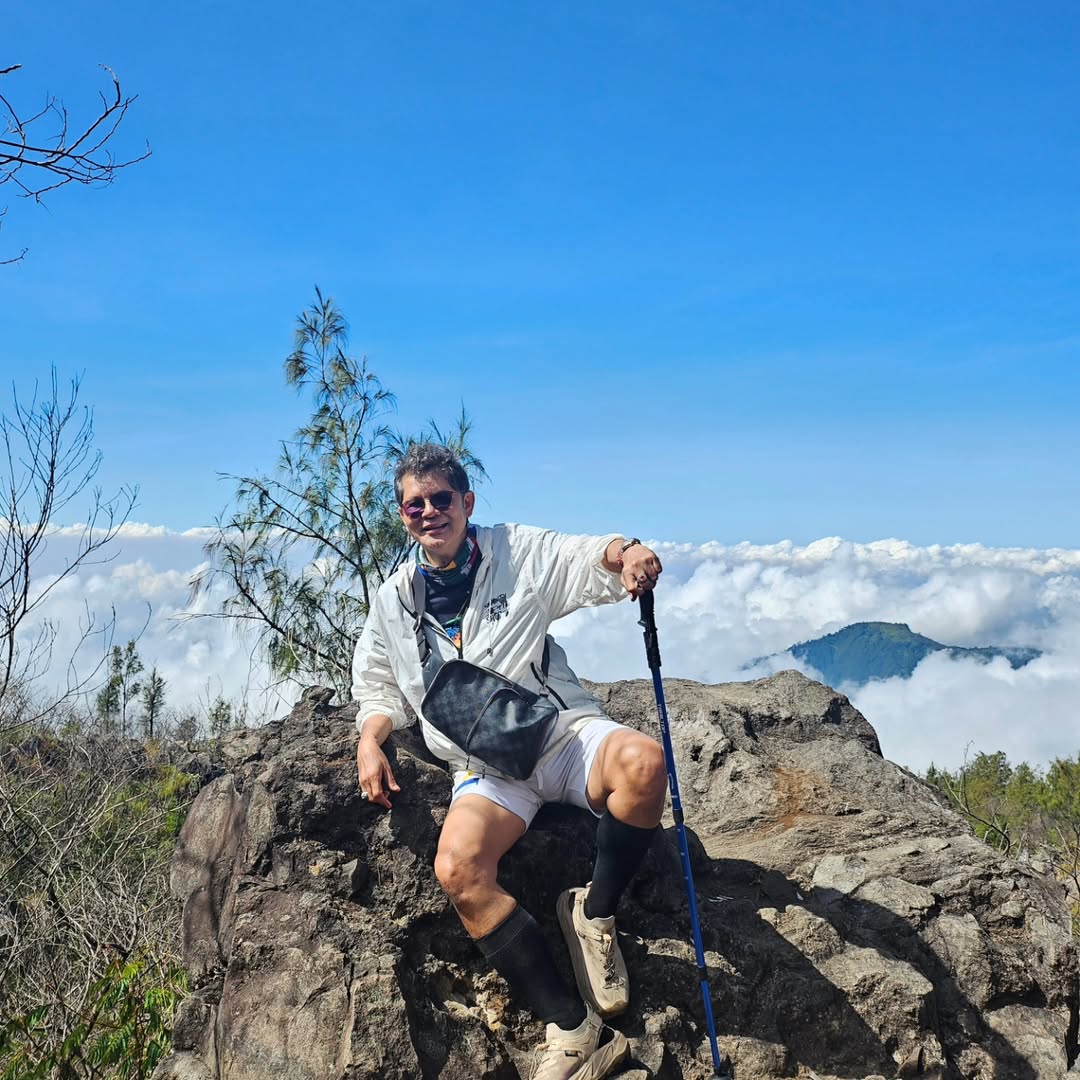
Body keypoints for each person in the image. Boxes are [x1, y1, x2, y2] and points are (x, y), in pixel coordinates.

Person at [352, 442, 666, 1080]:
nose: (430, 512)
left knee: (644, 763)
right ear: (402, 516)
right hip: (486, 766)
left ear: (467, 503)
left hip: (557, 733)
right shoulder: (393, 601)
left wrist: (625, 551)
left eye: (442, 499)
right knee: (459, 868)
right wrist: (370, 738)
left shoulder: (514, 553)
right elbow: (379, 686)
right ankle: (576, 1033)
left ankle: (594, 913)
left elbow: (583, 557)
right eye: (415, 505)